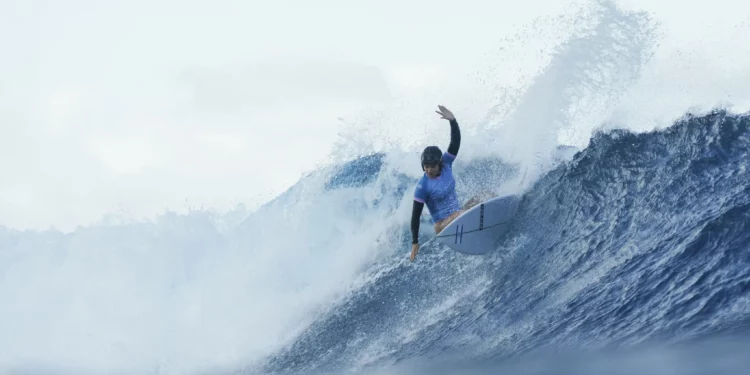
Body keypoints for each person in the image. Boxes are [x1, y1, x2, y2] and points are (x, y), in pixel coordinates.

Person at [410, 105, 468, 262]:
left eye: (432, 166)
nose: (428, 170)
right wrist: (415, 241)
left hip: (458, 214)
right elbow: (415, 215)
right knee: (462, 214)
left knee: (486, 195)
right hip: (442, 225)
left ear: (439, 163)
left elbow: (455, 142)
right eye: (426, 167)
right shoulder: (423, 186)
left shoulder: (447, 163)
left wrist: (453, 121)